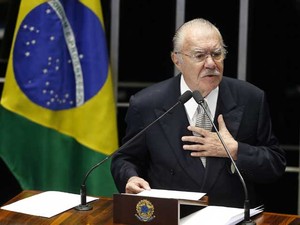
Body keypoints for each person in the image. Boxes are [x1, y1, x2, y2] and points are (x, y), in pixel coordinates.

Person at [111, 18, 286, 207]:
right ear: (177, 59)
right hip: (172, 215)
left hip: (230, 216)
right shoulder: (147, 103)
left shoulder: (251, 98)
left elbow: (275, 164)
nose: (211, 63)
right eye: (200, 55)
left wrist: (235, 150)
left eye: (217, 54)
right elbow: (125, 158)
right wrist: (130, 178)